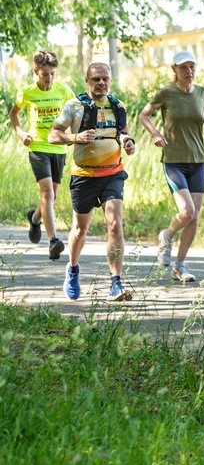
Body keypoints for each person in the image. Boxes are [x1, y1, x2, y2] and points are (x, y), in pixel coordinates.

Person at [48, 62, 136, 302]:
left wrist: (129, 142)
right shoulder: (74, 106)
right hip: (84, 176)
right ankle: (73, 270)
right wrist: (75, 137)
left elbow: (122, 132)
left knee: (115, 223)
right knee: (79, 230)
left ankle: (116, 283)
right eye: (96, 79)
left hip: (113, 173)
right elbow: (53, 135)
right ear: (87, 80)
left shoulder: (118, 106)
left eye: (105, 79)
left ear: (110, 80)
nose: (101, 83)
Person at [139, 50, 204, 282]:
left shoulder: (203, 93)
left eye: (192, 67)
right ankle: (166, 236)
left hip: (198, 162)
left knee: (194, 217)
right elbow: (143, 115)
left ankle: (179, 266)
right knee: (186, 212)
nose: (189, 71)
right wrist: (156, 134)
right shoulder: (166, 93)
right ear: (174, 70)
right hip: (174, 161)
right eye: (184, 67)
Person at [9, 50, 76, 260]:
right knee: (47, 192)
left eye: (53, 74)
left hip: (59, 147)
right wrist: (21, 134)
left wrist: (75, 135)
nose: (49, 78)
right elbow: (14, 114)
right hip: (38, 147)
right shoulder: (27, 93)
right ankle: (53, 241)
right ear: (36, 72)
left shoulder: (64, 91)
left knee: (52, 196)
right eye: (45, 74)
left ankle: (35, 218)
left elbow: (77, 112)